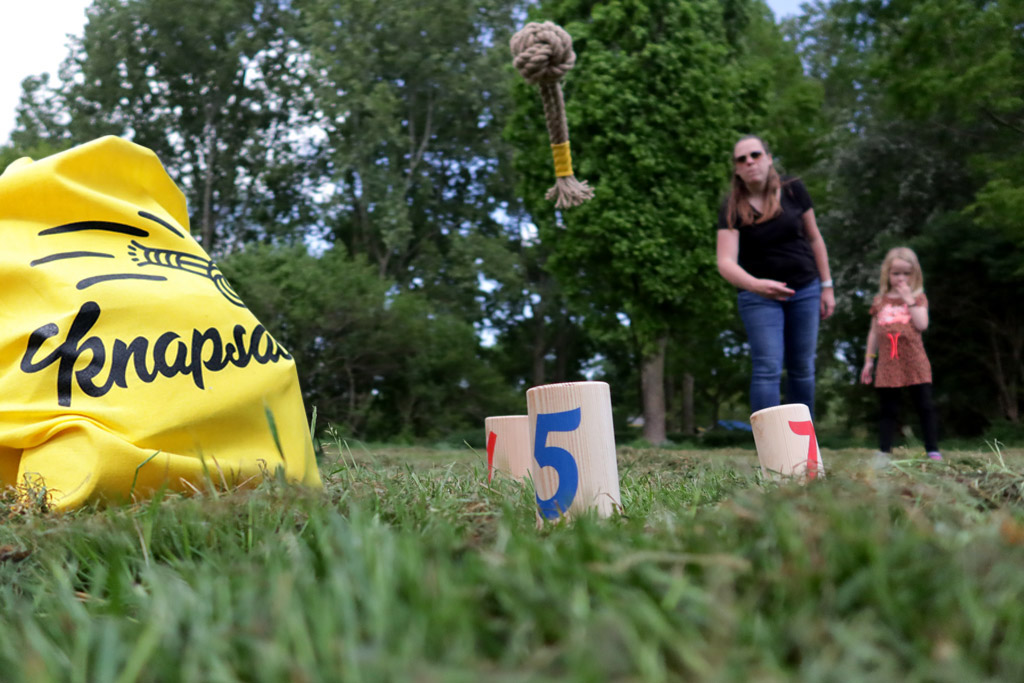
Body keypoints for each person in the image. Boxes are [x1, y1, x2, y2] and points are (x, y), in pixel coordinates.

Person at [716, 135, 835, 417]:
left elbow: (815, 238)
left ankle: (804, 448)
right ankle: (770, 450)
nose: (749, 162)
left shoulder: (793, 189)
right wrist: (757, 286)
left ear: (769, 158)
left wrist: (827, 286)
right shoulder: (731, 205)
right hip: (759, 297)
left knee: (802, 368)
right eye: (741, 159)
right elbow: (725, 262)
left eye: (755, 155)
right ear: (736, 168)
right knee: (768, 367)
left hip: (805, 289)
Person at [859, 247, 942, 461]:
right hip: (888, 362)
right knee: (888, 408)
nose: (901, 278)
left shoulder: (918, 297)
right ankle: (884, 451)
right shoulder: (880, 300)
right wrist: (869, 361)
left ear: (915, 274)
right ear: (887, 273)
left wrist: (909, 299)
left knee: (924, 405)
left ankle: (932, 449)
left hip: (914, 360)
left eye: (906, 273)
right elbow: (874, 332)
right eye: (896, 273)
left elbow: (922, 324)